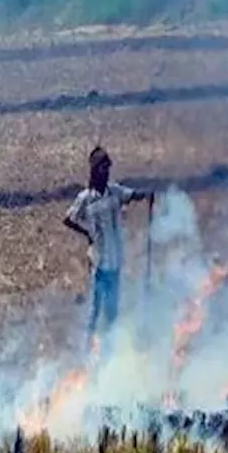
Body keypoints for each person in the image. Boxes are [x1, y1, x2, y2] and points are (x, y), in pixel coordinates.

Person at [63, 146, 153, 349]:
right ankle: (87, 348)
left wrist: (147, 194)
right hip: (99, 262)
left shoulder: (115, 191)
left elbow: (133, 195)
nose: (106, 173)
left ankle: (109, 347)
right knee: (95, 308)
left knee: (112, 308)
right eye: (102, 169)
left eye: (108, 169)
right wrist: (87, 233)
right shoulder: (85, 198)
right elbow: (68, 219)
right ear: (94, 171)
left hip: (116, 261)